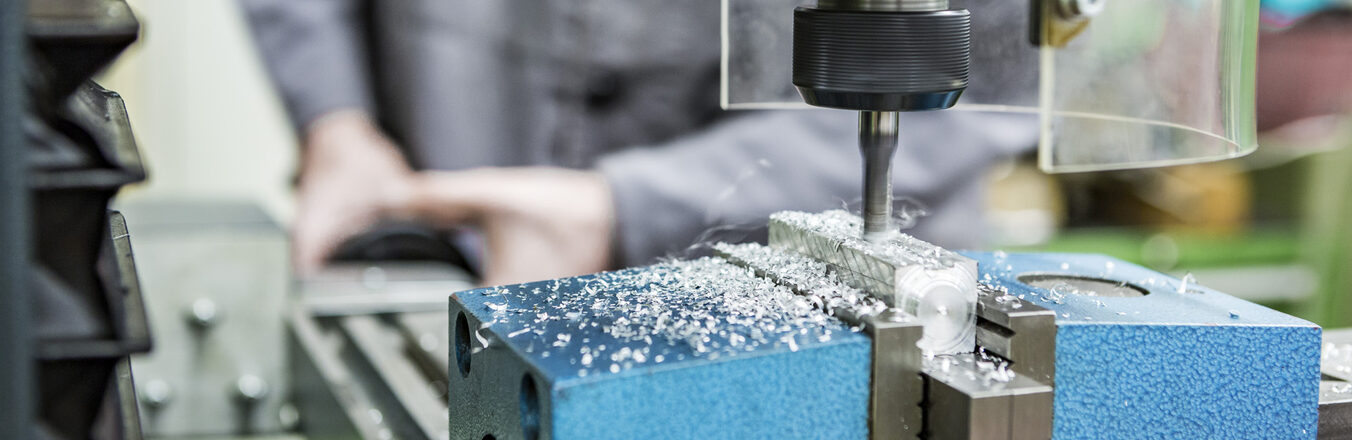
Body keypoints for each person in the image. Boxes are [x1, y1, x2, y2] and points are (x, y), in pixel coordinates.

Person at [239, 0, 1038, 285]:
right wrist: (335, 121)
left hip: (816, 253)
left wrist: (632, 208)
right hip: (447, 219)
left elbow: (995, 66)